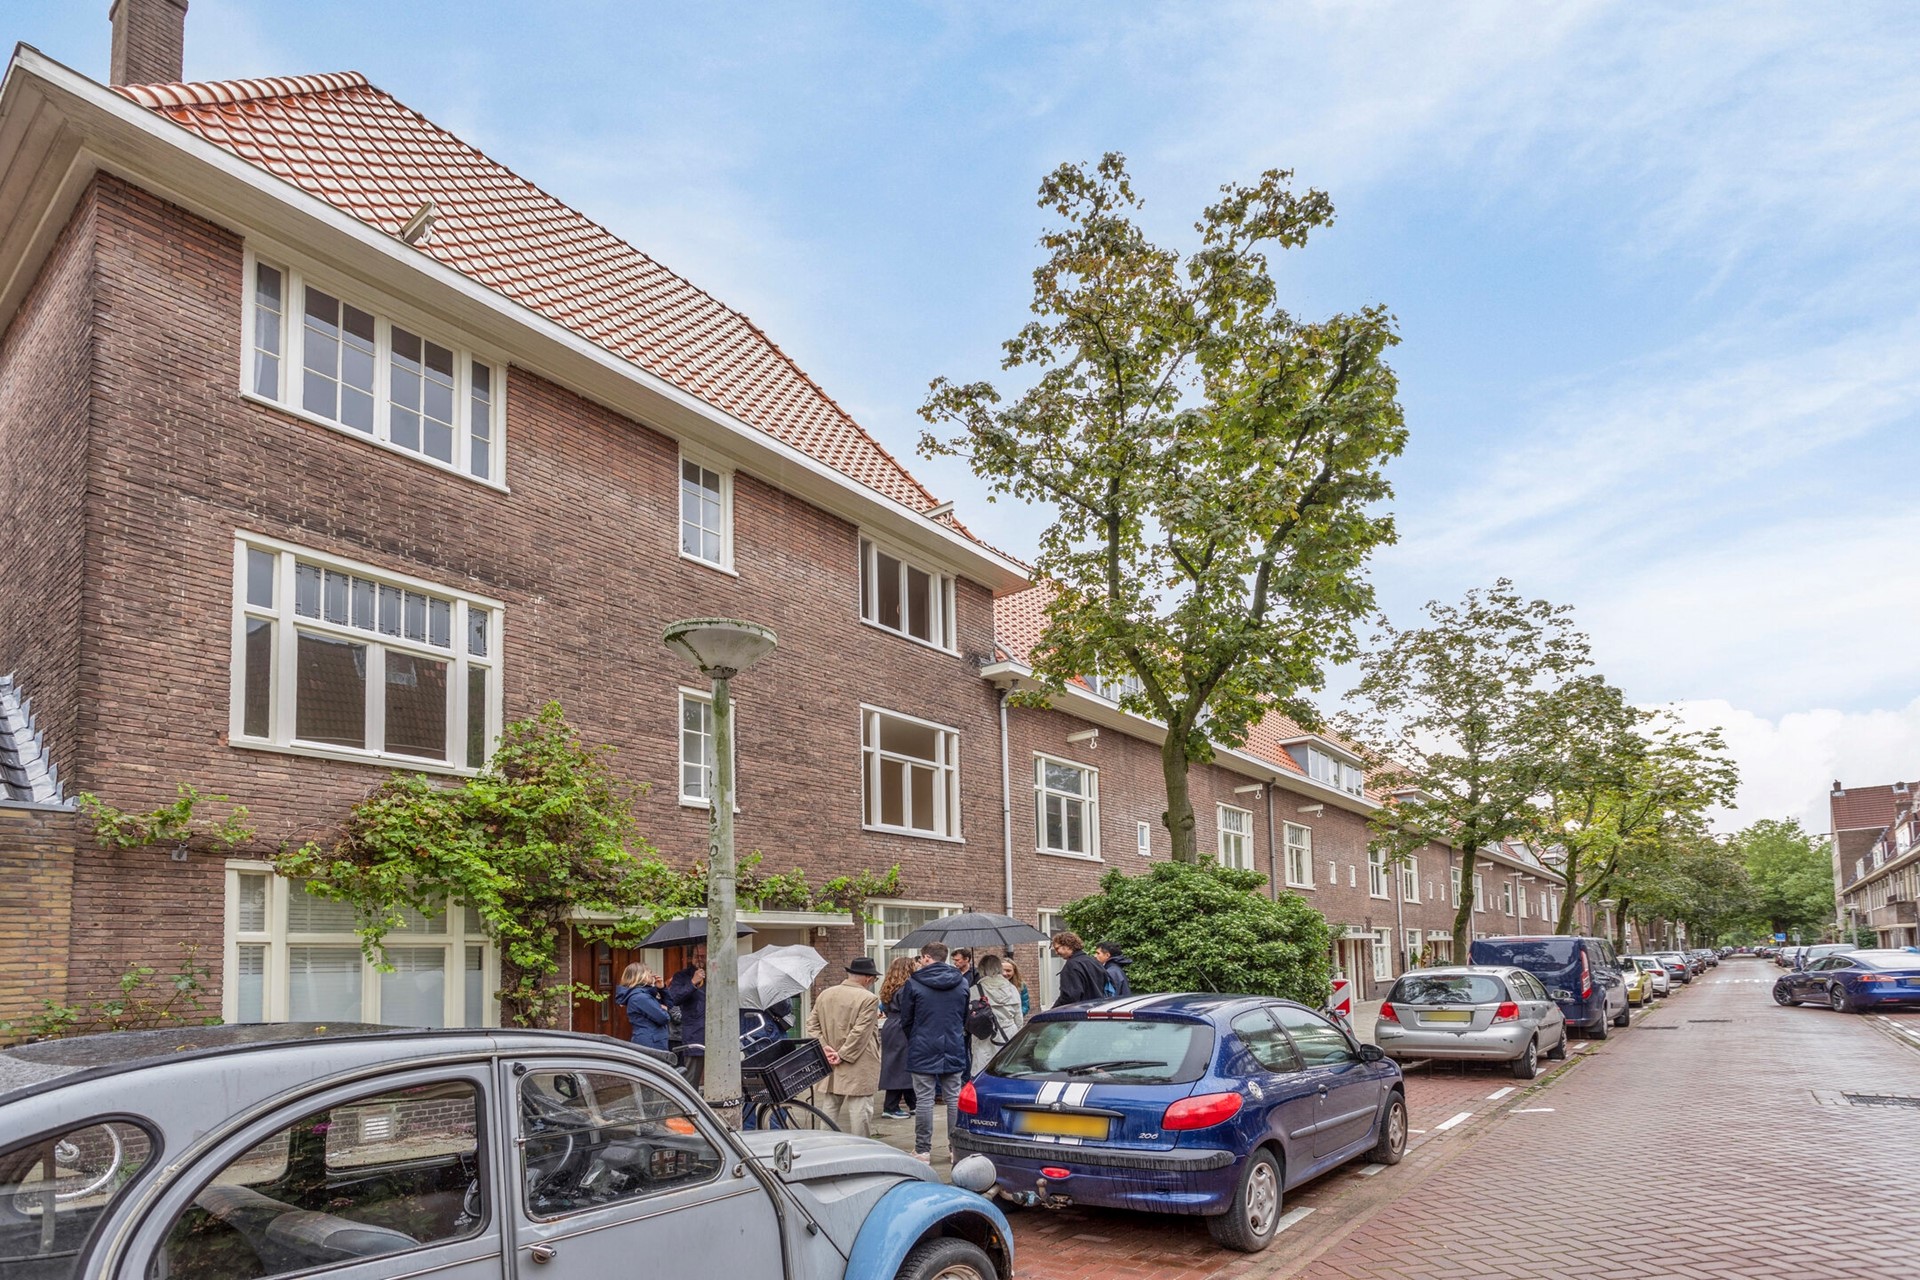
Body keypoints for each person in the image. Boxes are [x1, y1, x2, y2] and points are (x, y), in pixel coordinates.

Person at [896, 942, 969, 1163]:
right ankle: (955, 1149)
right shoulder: (962, 982)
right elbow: (964, 1016)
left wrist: (916, 1038)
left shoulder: (914, 983)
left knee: (925, 1100)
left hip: (923, 1046)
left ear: (927, 957)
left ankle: (923, 1151)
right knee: (954, 1099)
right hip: (953, 1044)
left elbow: (906, 1019)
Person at [805, 956, 882, 1137]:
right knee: (859, 1109)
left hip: (830, 1060)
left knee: (830, 1105)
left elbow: (811, 1025)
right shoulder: (869, 998)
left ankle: (826, 1143)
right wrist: (842, 1054)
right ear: (868, 978)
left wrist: (825, 1048)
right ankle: (860, 1148)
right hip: (859, 1060)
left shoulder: (826, 994)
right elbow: (861, 1032)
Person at [968, 953, 1024, 1076]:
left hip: (984, 1036)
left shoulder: (975, 990)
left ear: (981, 970)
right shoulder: (1012, 989)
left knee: (983, 1073)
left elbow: (969, 1017)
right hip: (1009, 1034)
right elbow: (1019, 1018)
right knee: (1008, 1072)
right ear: (999, 968)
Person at [878, 956, 917, 1118]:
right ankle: (891, 1107)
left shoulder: (889, 987)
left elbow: (884, 1006)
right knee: (901, 1066)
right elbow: (910, 1010)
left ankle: (913, 1103)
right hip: (903, 1026)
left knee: (898, 1064)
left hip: (890, 1025)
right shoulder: (907, 988)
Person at [665, 943, 708, 1083]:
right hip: (695, 1034)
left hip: (717, 1035)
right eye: (696, 956)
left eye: (703, 956)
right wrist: (693, 982)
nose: (699, 959)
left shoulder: (717, 975)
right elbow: (673, 999)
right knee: (691, 1079)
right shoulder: (682, 976)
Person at [613, 962, 671, 1051]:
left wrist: (662, 989)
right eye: (649, 972)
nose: (652, 975)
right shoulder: (640, 997)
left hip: (654, 1040)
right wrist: (665, 1010)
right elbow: (663, 1018)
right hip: (651, 1042)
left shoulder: (645, 994)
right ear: (641, 976)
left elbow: (670, 1005)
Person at [1051, 931, 1109, 1007]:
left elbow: (1070, 996)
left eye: (1057, 948)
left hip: (1080, 1013)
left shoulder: (1072, 965)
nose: (1056, 952)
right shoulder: (1094, 962)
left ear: (1067, 946)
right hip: (1097, 1010)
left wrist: (1053, 1010)